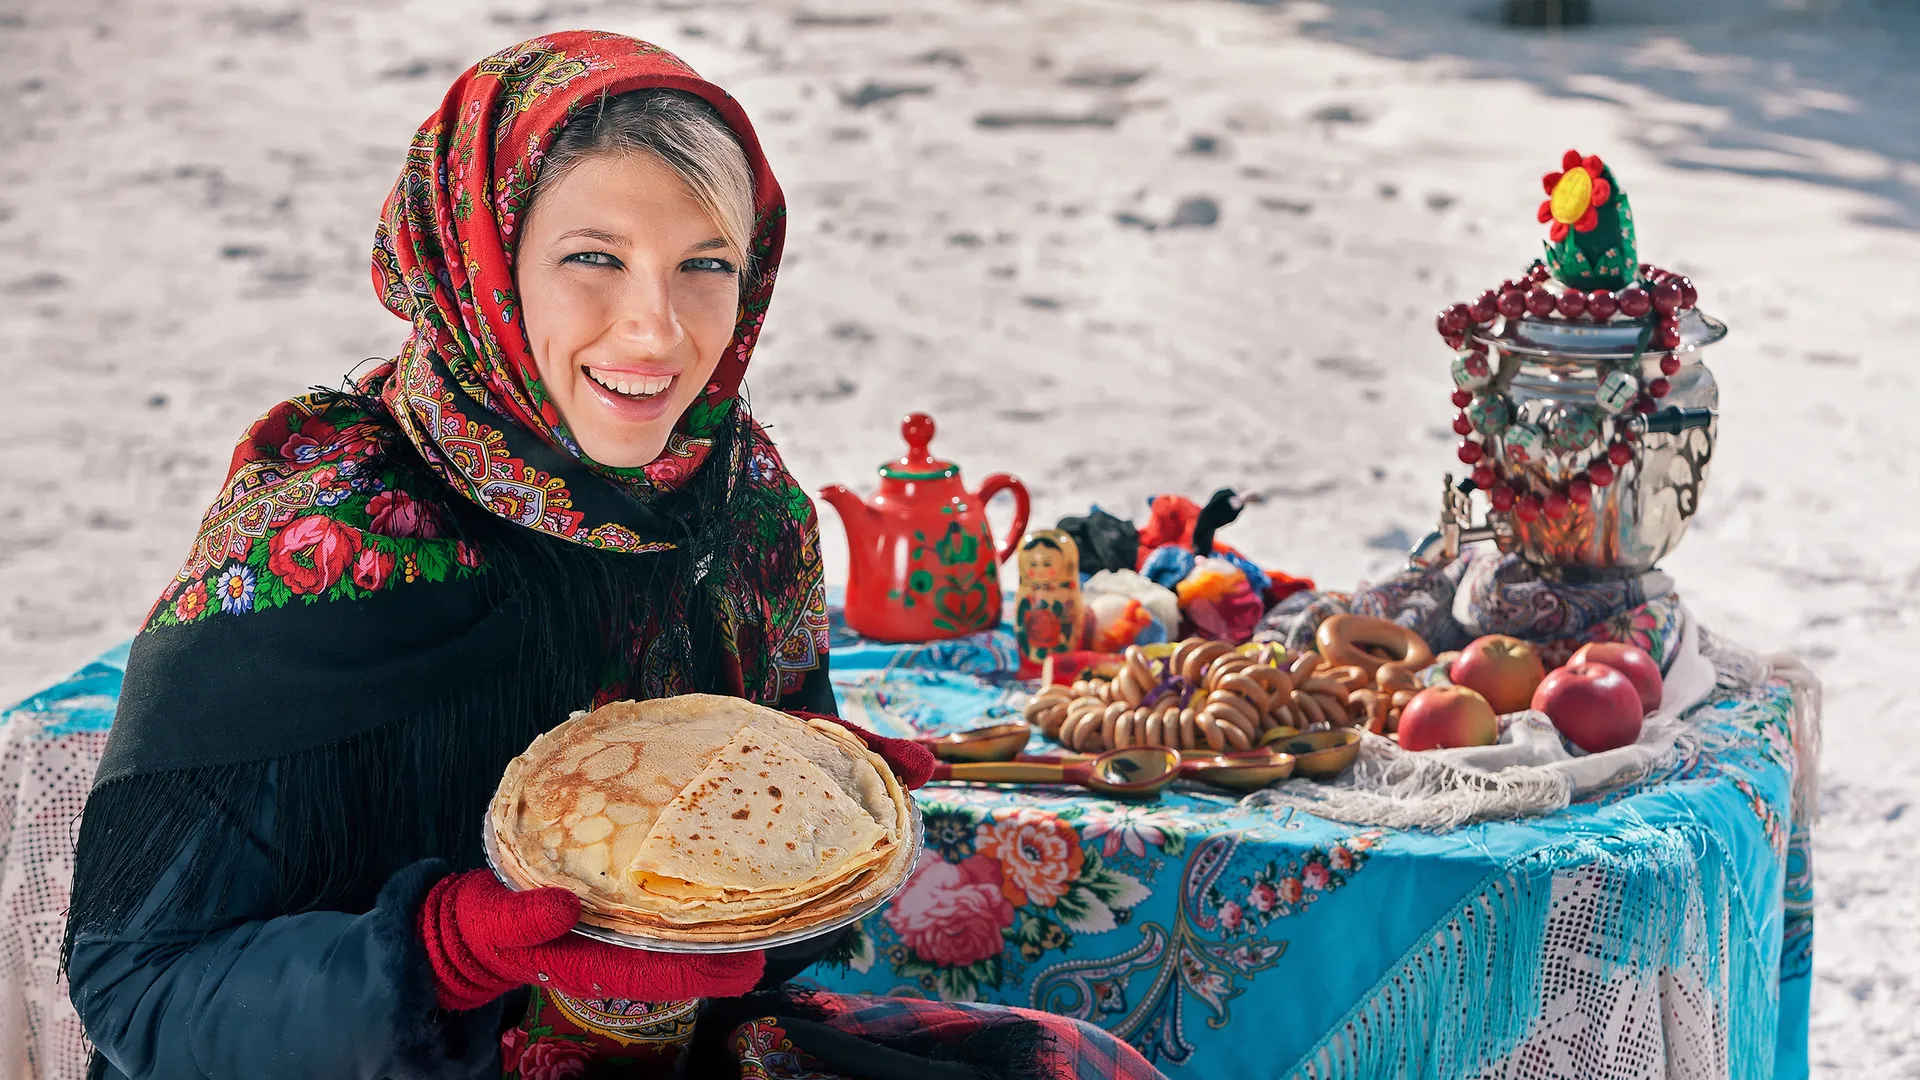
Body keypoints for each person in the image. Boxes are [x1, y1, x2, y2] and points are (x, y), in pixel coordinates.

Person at [62, 32, 1164, 1080]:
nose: (659, 332)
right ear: (481, 263)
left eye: (704, 265)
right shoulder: (334, 531)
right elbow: (134, 986)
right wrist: (449, 952)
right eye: (594, 257)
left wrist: (795, 835)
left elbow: (736, 949)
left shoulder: (738, 503)